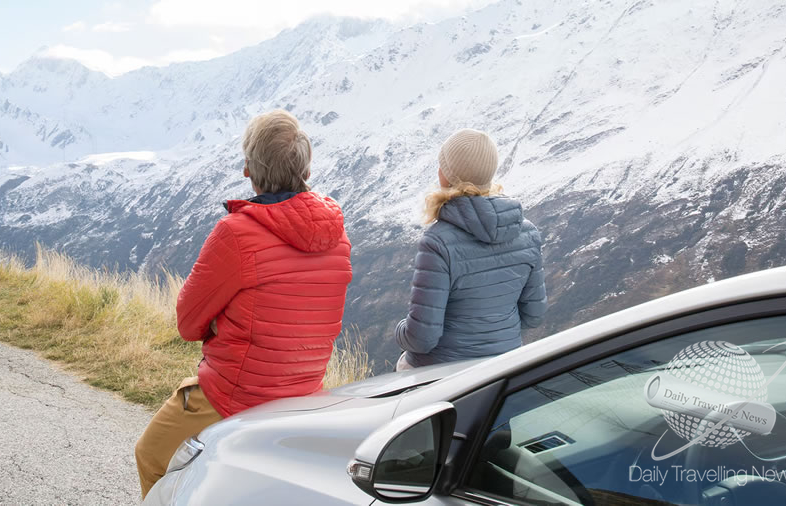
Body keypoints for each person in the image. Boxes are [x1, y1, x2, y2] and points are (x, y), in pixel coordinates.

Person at [135, 110, 352, 498]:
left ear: (249, 170)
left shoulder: (236, 233)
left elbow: (188, 324)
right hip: (305, 394)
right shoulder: (336, 234)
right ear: (306, 167)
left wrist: (220, 324)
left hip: (237, 395)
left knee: (152, 454)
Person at [394, 128, 546, 371]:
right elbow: (534, 315)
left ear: (445, 176)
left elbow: (421, 339)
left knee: (400, 370)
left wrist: (400, 329)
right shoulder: (528, 233)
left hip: (442, 373)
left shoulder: (437, 242)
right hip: (503, 370)